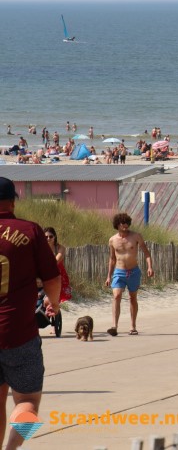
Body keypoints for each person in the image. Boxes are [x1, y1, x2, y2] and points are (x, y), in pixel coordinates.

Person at [0, 178, 61, 450]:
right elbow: (51, 277)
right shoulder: (31, 231)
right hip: (19, 333)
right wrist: (53, 303)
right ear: (13, 201)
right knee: (28, 403)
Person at [105, 212, 154, 336]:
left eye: (127, 222)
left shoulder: (136, 236)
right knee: (116, 295)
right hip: (119, 271)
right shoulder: (112, 240)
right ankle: (114, 326)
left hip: (133, 271)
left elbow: (147, 253)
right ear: (117, 225)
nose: (125, 225)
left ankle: (133, 326)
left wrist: (149, 267)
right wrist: (108, 276)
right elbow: (112, 259)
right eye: (122, 223)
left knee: (133, 297)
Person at [43, 227, 72, 310]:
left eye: (50, 236)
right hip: (45, 274)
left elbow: (56, 260)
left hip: (58, 275)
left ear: (54, 237)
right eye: (46, 237)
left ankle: (55, 314)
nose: (48, 238)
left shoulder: (60, 248)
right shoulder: (41, 249)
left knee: (55, 299)